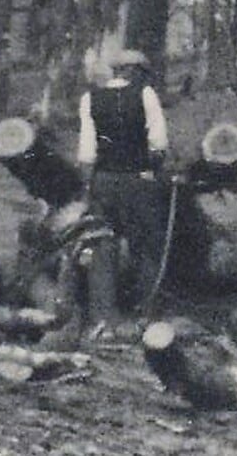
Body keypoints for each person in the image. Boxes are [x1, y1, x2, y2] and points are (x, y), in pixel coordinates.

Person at [75, 47, 172, 315]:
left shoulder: (90, 98)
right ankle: (147, 311)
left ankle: (104, 315)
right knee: (145, 247)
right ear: (133, 72)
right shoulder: (145, 94)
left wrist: (89, 187)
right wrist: (153, 167)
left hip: (103, 181)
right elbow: (159, 143)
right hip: (137, 180)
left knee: (102, 245)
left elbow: (86, 151)